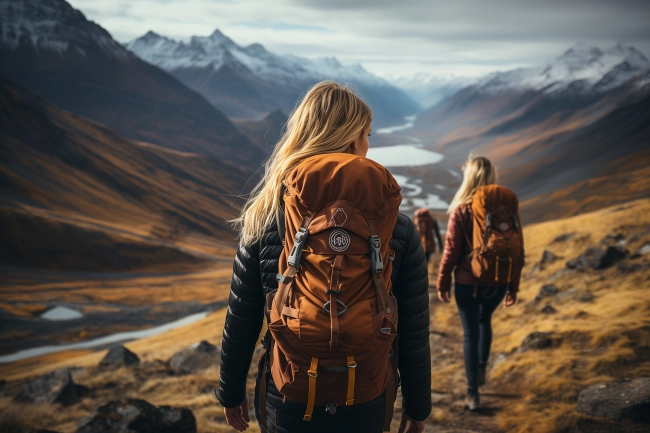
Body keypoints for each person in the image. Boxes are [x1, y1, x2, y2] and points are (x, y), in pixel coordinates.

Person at [216, 81, 431, 433]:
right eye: (367, 135)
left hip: (288, 396)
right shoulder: (398, 227)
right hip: (368, 397)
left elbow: (241, 319)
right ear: (351, 140)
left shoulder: (266, 218)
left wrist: (230, 393)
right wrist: (418, 406)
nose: (367, 145)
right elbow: (412, 329)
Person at [436, 155, 522, 411]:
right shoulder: (506, 210)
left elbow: (451, 251)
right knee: (486, 322)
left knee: (470, 333)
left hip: (466, 283)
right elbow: (518, 249)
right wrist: (513, 286)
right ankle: (482, 368)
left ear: (469, 177)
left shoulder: (461, 210)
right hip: (498, 281)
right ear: (491, 176)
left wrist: (442, 282)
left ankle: (472, 393)